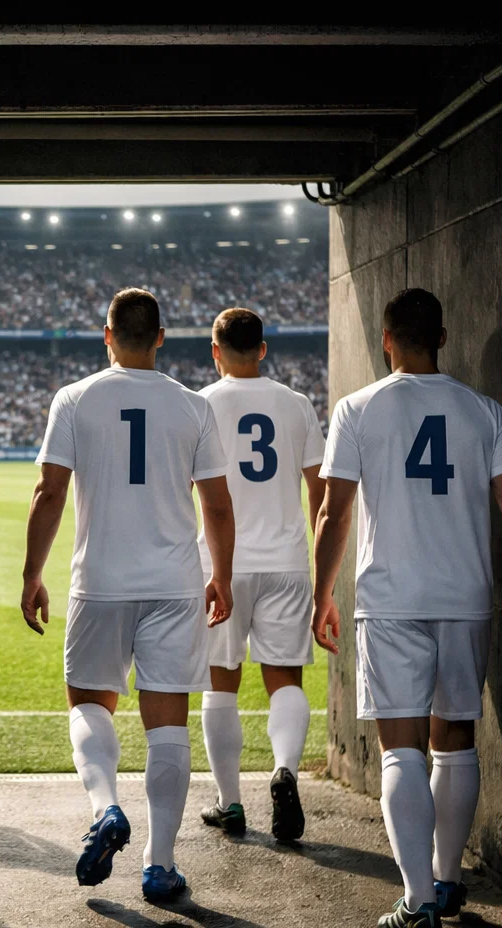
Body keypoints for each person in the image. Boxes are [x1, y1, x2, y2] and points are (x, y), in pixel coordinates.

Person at [313, 288, 502, 928]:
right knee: (457, 738)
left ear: (386, 340)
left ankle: (417, 903)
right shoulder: (485, 412)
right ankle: (446, 880)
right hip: (464, 596)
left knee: (402, 749)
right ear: (442, 336)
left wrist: (320, 592)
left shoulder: (358, 409)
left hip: (392, 599)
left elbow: (335, 514)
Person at [21, 288, 236, 903]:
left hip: (102, 580)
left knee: (89, 703)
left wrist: (33, 573)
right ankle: (159, 865)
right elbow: (216, 504)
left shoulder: (75, 398)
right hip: (174, 584)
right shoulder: (194, 406)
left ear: (107, 335)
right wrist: (219, 573)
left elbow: (49, 493)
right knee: (168, 725)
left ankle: (106, 807)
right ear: (161, 336)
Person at [194, 308, 326, 842]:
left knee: (219, 681)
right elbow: (321, 489)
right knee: (285, 678)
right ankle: (285, 770)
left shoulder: (199, 404)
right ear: (264, 348)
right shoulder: (296, 405)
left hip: (221, 563)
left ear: (215, 350)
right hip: (287, 560)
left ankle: (230, 804)